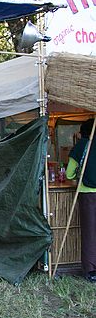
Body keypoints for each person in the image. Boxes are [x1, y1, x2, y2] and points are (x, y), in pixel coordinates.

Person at [66, 118, 96, 282]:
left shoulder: (81, 146)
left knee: (90, 233)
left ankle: (91, 271)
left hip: (88, 194)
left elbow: (70, 174)